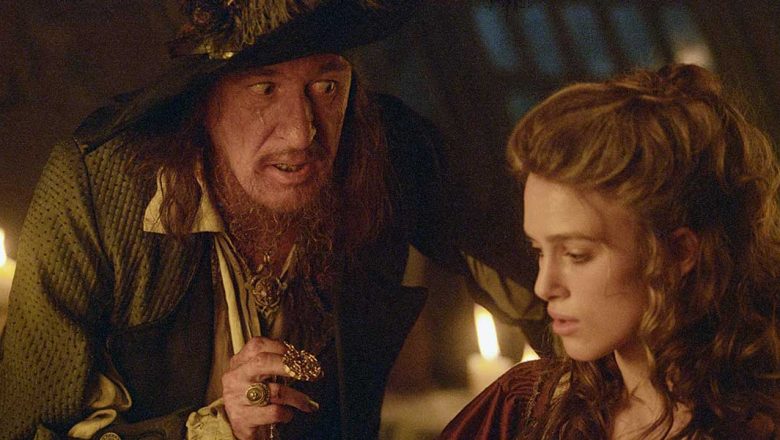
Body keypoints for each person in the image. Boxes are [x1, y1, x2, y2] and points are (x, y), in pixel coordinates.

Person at [0, 1, 545, 439]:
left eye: (326, 87)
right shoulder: (98, 187)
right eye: (264, 89)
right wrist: (216, 429)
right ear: (206, 99)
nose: (302, 133)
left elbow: (545, 285)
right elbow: (28, 428)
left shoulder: (392, 154)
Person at [439, 63, 780, 439]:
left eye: (576, 255)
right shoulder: (520, 409)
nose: (543, 287)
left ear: (679, 252)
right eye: (539, 251)